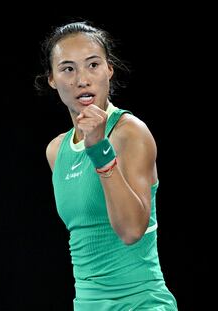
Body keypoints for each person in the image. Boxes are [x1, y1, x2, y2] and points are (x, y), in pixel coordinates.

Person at [35, 20, 178, 310]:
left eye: (93, 65)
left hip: (142, 304)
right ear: (52, 79)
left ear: (109, 70)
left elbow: (130, 231)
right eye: (68, 69)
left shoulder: (130, 133)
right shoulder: (56, 150)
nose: (82, 79)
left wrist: (100, 149)